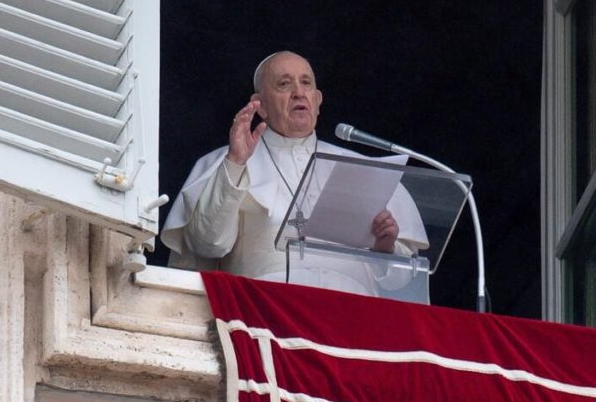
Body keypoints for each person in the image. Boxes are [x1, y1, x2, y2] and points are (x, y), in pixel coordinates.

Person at [161, 51, 427, 295]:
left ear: (317, 100)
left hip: (353, 317)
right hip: (265, 312)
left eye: (306, 83)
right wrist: (236, 163)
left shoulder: (363, 168)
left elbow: (402, 282)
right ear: (260, 105)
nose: (299, 93)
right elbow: (207, 245)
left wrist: (385, 249)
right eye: (284, 84)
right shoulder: (225, 162)